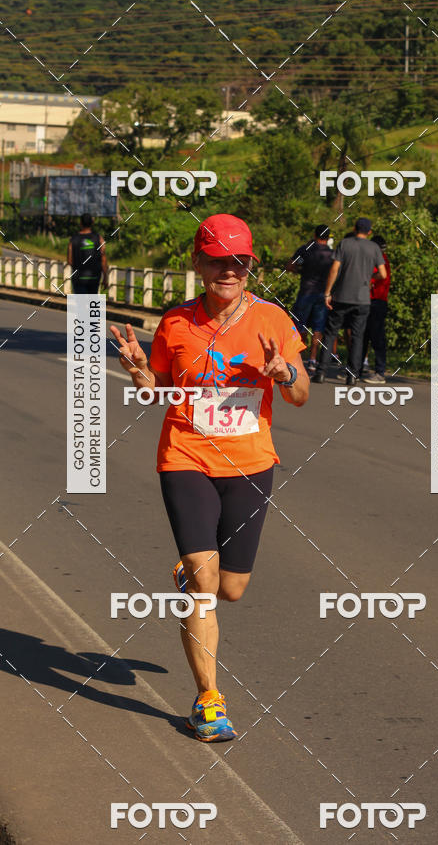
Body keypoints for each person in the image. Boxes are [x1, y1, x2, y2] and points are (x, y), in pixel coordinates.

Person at [110, 213, 309, 743]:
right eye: (219, 260)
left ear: (251, 267)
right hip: (186, 457)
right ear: (199, 263)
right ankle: (208, 700)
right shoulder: (175, 324)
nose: (230, 270)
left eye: (240, 261)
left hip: (250, 463)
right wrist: (137, 372)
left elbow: (301, 394)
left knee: (232, 589)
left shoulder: (273, 320)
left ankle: (192, 574)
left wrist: (285, 372)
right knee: (203, 585)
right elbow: (158, 394)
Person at [312, 218, 386, 385]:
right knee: (358, 336)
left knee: (331, 333)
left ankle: (321, 372)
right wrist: (369, 278)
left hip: (341, 296)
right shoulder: (374, 248)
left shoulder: (344, 244)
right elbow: (383, 274)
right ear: (369, 232)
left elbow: (335, 268)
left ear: (354, 228)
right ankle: (352, 375)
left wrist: (327, 292)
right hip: (363, 299)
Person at [285, 224, 333, 371]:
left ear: (315, 235)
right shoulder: (332, 254)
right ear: (328, 237)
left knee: (299, 325)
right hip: (323, 294)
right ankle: (313, 359)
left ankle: (296, 357)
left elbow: (291, 266)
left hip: (306, 292)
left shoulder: (306, 250)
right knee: (318, 327)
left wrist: (302, 270)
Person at [361, 234, 390, 383]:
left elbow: (372, 278)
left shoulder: (380, 262)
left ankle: (380, 372)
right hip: (370, 302)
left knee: (377, 337)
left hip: (377, 302)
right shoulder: (379, 260)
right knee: (363, 336)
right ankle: (357, 369)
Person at [67, 213, 108, 294]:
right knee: (92, 305)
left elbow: (70, 261)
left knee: (81, 305)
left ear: (80, 223)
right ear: (92, 223)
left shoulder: (73, 240)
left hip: (78, 278)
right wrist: (105, 277)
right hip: (94, 278)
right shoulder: (99, 239)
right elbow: (103, 259)